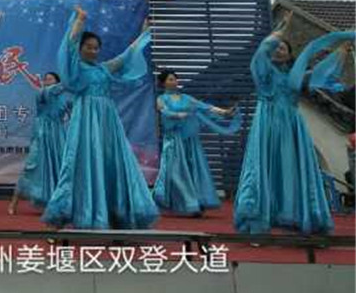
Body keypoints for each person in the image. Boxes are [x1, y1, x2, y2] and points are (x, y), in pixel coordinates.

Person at [234, 15, 355, 234]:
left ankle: (295, 215)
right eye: (276, 47)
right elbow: (260, 53)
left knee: (292, 168)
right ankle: (257, 217)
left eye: (283, 47)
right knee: (264, 167)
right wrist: (279, 31)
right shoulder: (263, 72)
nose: (278, 50)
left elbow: (320, 73)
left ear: (290, 55)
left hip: (292, 125)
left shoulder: (296, 76)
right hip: (268, 123)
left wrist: (341, 52)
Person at [42, 6, 158, 230]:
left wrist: (143, 34)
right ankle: (74, 213)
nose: (93, 51)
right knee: (81, 162)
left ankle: (113, 213)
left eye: (96, 48)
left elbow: (126, 57)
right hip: (85, 120)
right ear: (81, 48)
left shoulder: (104, 69)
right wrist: (80, 21)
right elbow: (69, 45)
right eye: (89, 47)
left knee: (112, 161)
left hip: (108, 121)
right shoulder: (76, 69)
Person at [152, 70, 240, 216]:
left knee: (193, 170)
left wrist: (224, 112)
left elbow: (205, 107)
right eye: (170, 79)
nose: (174, 82)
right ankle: (188, 203)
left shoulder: (186, 98)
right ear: (163, 83)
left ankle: (196, 202)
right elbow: (163, 111)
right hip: (173, 140)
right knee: (175, 172)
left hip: (190, 141)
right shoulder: (161, 98)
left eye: (175, 79)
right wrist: (177, 115)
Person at [8, 72, 70, 215]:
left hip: (58, 136)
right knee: (31, 166)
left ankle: (57, 205)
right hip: (42, 134)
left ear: (56, 81)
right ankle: (13, 202)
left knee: (59, 168)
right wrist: (72, 79)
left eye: (50, 79)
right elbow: (58, 88)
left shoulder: (64, 99)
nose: (46, 81)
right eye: (45, 79)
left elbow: (73, 112)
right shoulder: (42, 93)